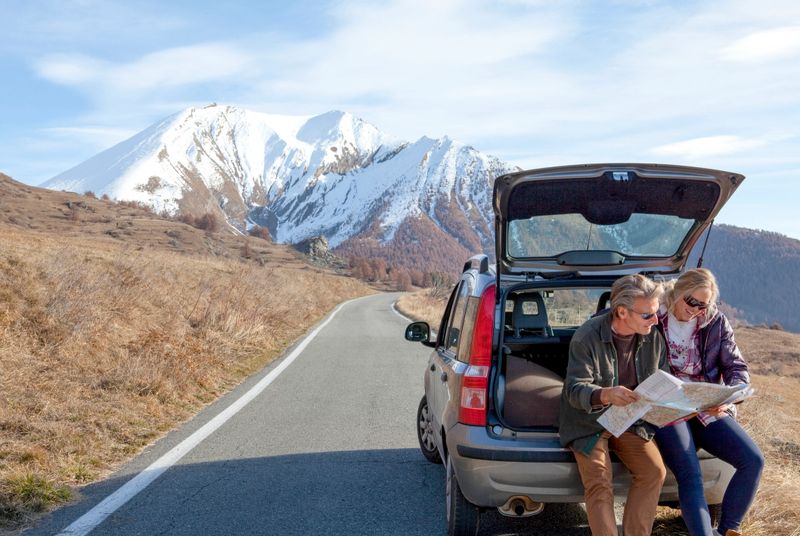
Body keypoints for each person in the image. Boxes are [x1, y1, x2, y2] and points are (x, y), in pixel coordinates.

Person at [654, 268, 764, 536]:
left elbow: (736, 366)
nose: (696, 311)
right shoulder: (654, 316)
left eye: (703, 306)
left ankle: (728, 530)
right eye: (692, 303)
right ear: (677, 292)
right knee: (690, 473)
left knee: (753, 460)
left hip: (706, 404)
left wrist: (730, 396)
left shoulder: (715, 322)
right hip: (668, 407)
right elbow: (615, 320)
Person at [560, 274, 667, 536]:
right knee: (599, 483)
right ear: (621, 311)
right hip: (588, 422)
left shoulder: (653, 336)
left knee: (654, 472)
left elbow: (662, 376)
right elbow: (574, 390)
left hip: (630, 419)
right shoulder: (587, 336)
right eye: (647, 315)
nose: (655, 320)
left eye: (656, 313)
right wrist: (606, 395)